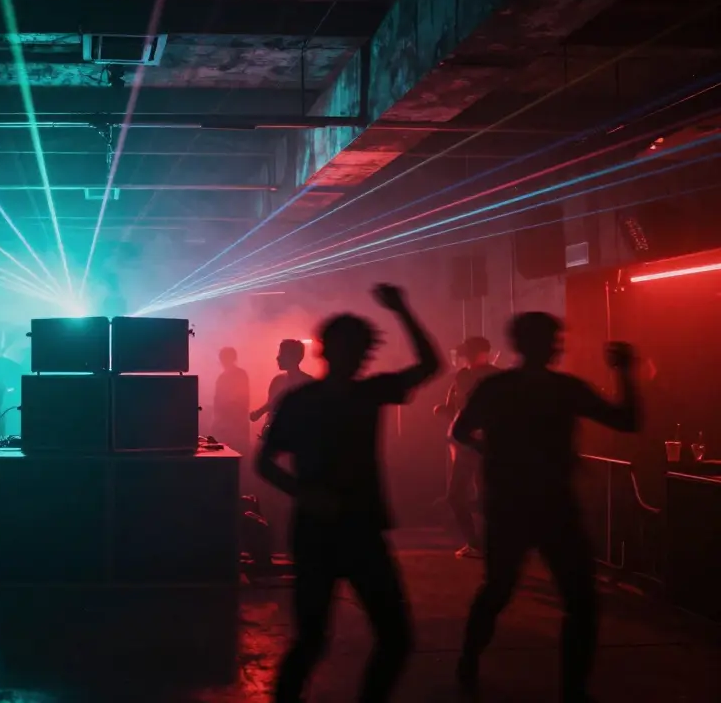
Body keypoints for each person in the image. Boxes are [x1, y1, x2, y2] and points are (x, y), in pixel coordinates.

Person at [257, 284, 442, 703]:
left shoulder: (355, 394)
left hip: (352, 529)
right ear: (332, 350)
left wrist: (403, 308)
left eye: (361, 348)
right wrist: (306, 494)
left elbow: (431, 365)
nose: (359, 355)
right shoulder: (320, 399)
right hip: (328, 532)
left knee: (372, 638)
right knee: (322, 641)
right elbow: (264, 463)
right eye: (353, 347)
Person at [452, 313, 640, 703]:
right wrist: (624, 372)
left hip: (510, 504)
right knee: (578, 601)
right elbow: (627, 420)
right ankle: (573, 690)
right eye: (554, 339)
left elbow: (459, 430)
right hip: (554, 505)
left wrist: (492, 454)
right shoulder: (564, 388)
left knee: (498, 589)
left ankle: (468, 661)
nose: (558, 346)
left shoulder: (498, 388)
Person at [432, 336, 497, 559]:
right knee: (458, 496)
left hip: (486, 445)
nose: (465, 356)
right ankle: (476, 543)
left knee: (483, 495)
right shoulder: (463, 375)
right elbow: (454, 406)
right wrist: (445, 410)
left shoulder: (495, 377)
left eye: (469, 352)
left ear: (482, 352)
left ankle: (487, 544)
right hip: (463, 445)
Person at [250, 339, 315, 433]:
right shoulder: (278, 380)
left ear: (293, 357)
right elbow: (272, 408)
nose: (278, 358)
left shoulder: (307, 383)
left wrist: (259, 413)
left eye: (282, 354)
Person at [213, 347, 251, 457]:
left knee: (237, 452)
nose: (223, 361)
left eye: (224, 358)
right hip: (228, 423)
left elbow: (242, 398)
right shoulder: (223, 377)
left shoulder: (239, 375)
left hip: (236, 422)